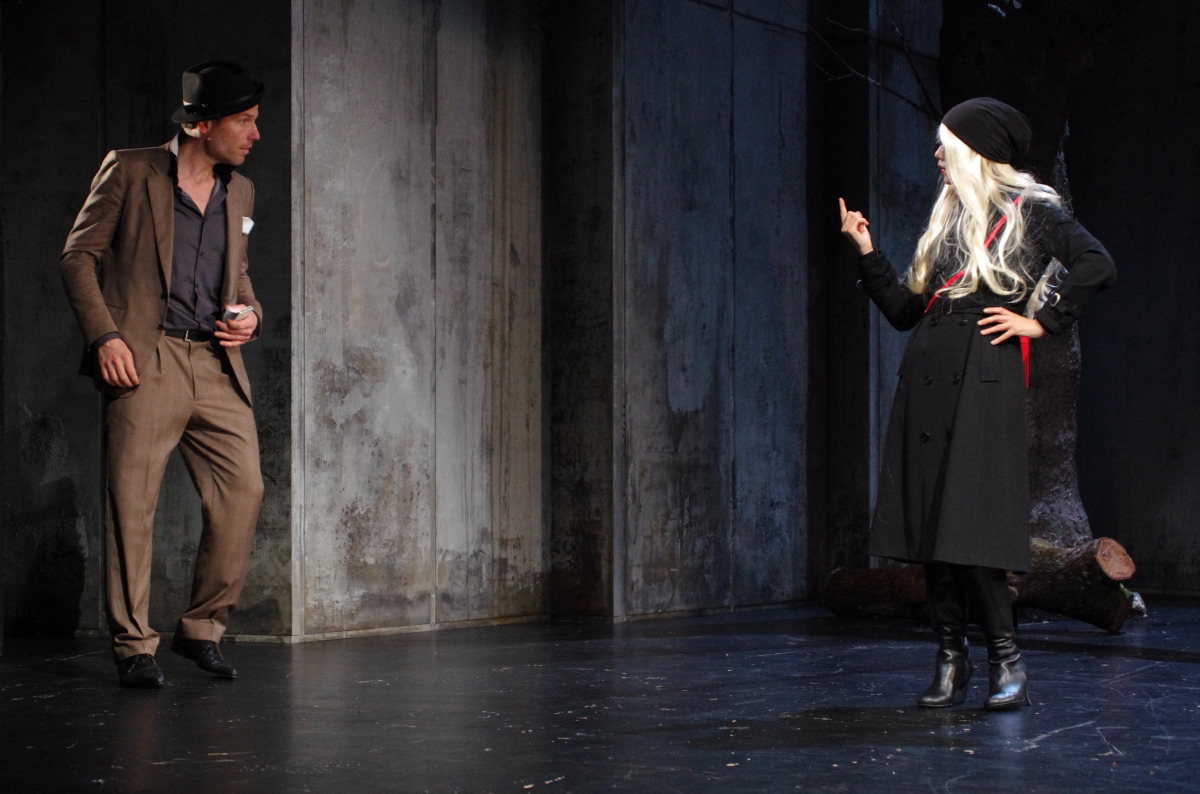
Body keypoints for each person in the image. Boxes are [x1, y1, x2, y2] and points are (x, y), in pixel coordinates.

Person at [838, 97, 1115, 710]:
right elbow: (906, 312)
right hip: (927, 384)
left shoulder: (1031, 212)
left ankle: (1006, 662)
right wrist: (866, 252)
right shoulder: (950, 216)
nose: (937, 155)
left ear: (975, 150)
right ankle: (949, 660)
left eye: (946, 144)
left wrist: (1043, 321)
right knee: (934, 531)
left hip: (983, 385)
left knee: (976, 531)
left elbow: (1097, 264)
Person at [61, 61, 266, 688]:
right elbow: (78, 257)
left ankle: (202, 629)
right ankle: (134, 645)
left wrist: (251, 315)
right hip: (146, 359)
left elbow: (238, 275)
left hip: (215, 361)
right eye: (244, 121)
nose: (255, 134)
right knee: (132, 504)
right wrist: (105, 336)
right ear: (203, 125)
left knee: (243, 492)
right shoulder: (129, 170)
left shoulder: (241, 191)